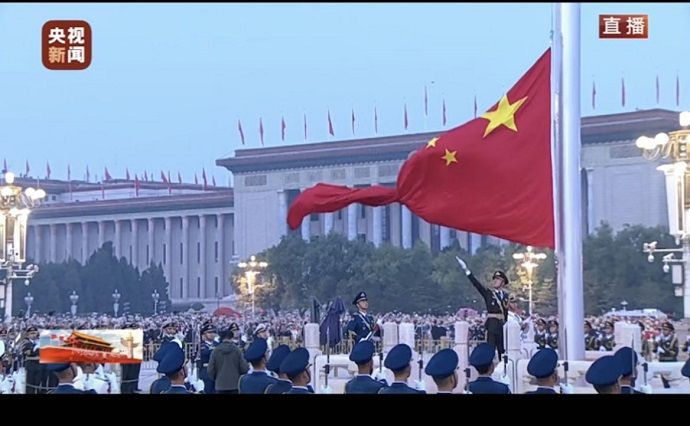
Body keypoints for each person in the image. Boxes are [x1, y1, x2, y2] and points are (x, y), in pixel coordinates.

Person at [456, 257, 510, 359]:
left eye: (498, 279)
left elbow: (506, 312)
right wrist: (467, 271)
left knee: (502, 351)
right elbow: (477, 285)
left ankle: (503, 367)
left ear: (503, 282)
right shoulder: (489, 293)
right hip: (492, 325)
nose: (495, 281)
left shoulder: (506, 296)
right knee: (490, 350)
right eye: (494, 279)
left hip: (502, 325)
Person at [208, 324, 248, 394]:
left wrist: (216, 379)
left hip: (220, 385)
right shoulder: (237, 350)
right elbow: (244, 368)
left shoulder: (215, 351)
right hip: (235, 384)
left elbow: (210, 369)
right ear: (231, 338)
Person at [653, 320, 678, 388]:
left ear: (670, 331)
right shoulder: (660, 339)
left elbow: (675, 353)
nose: (664, 331)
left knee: (672, 382)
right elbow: (654, 350)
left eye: (666, 330)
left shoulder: (674, 339)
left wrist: (664, 350)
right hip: (662, 361)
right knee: (664, 382)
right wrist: (655, 344)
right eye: (663, 330)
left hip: (671, 361)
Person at [195, 323, 218, 394]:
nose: (212, 334)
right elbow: (205, 353)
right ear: (204, 334)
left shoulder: (217, 344)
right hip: (206, 371)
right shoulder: (201, 345)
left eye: (213, 332)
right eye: (209, 332)